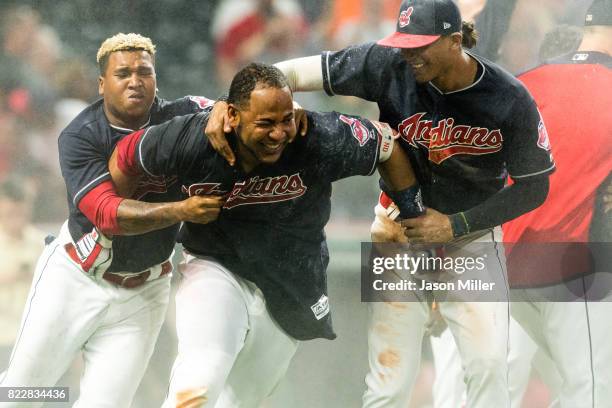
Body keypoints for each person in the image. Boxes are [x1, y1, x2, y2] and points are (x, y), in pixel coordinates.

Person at [207, 1, 554, 406]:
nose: (409, 54)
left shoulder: (508, 97)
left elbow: (534, 187)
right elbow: (288, 73)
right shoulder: (388, 63)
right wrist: (226, 102)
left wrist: (455, 226)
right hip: (397, 230)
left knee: (491, 367)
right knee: (389, 383)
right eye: (404, 43)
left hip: (470, 240)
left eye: (420, 45)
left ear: (454, 41)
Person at [108, 62, 424, 408]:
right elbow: (124, 160)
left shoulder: (319, 136)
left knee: (240, 401)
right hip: (217, 267)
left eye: (285, 119)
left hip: (292, 280)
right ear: (231, 115)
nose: (278, 134)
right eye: (265, 123)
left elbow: (387, 145)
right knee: (200, 378)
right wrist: (146, 222)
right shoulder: (192, 139)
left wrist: (412, 212)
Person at [0, 33, 224, 408]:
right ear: (102, 84)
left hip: (144, 291)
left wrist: (226, 112)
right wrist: (181, 211)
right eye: (123, 73)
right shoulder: (81, 135)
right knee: (24, 394)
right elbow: (107, 213)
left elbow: (237, 111)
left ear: (156, 79)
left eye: (144, 71)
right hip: (75, 279)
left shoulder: (183, 115)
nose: (135, 80)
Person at [502, 0, 612, 405]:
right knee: (593, 390)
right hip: (577, 266)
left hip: (507, 264)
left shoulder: (526, 81)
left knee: (544, 383)